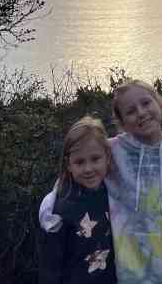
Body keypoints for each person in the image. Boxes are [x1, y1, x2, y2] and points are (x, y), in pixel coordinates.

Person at [41, 79, 162, 284]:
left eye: (146, 103)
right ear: (122, 123)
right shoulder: (113, 151)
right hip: (127, 275)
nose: (141, 112)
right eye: (130, 111)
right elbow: (77, 167)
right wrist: (49, 207)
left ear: (159, 103)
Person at [39, 116, 117, 284]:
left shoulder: (115, 194)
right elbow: (50, 266)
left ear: (107, 157)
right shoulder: (58, 208)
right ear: (69, 165)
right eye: (79, 162)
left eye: (95, 159)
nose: (88, 168)